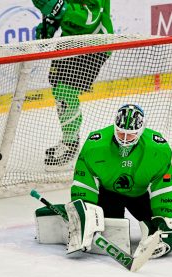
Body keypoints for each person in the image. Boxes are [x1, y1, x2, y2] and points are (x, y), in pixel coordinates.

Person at [66, 104, 172, 257]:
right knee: (112, 232)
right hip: (109, 195)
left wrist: (163, 219)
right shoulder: (94, 146)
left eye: (131, 135)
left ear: (141, 131)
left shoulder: (158, 150)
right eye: (121, 133)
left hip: (141, 195)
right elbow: (83, 184)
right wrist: (84, 215)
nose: (125, 139)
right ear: (114, 127)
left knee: (161, 223)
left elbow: (163, 188)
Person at [31, 0, 113, 167]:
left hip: (95, 44)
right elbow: (56, 14)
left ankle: (70, 142)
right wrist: (48, 26)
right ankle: (71, 139)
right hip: (70, 41)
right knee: (57, 85)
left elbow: (91, 17)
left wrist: (60, 8)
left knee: (64, 90)